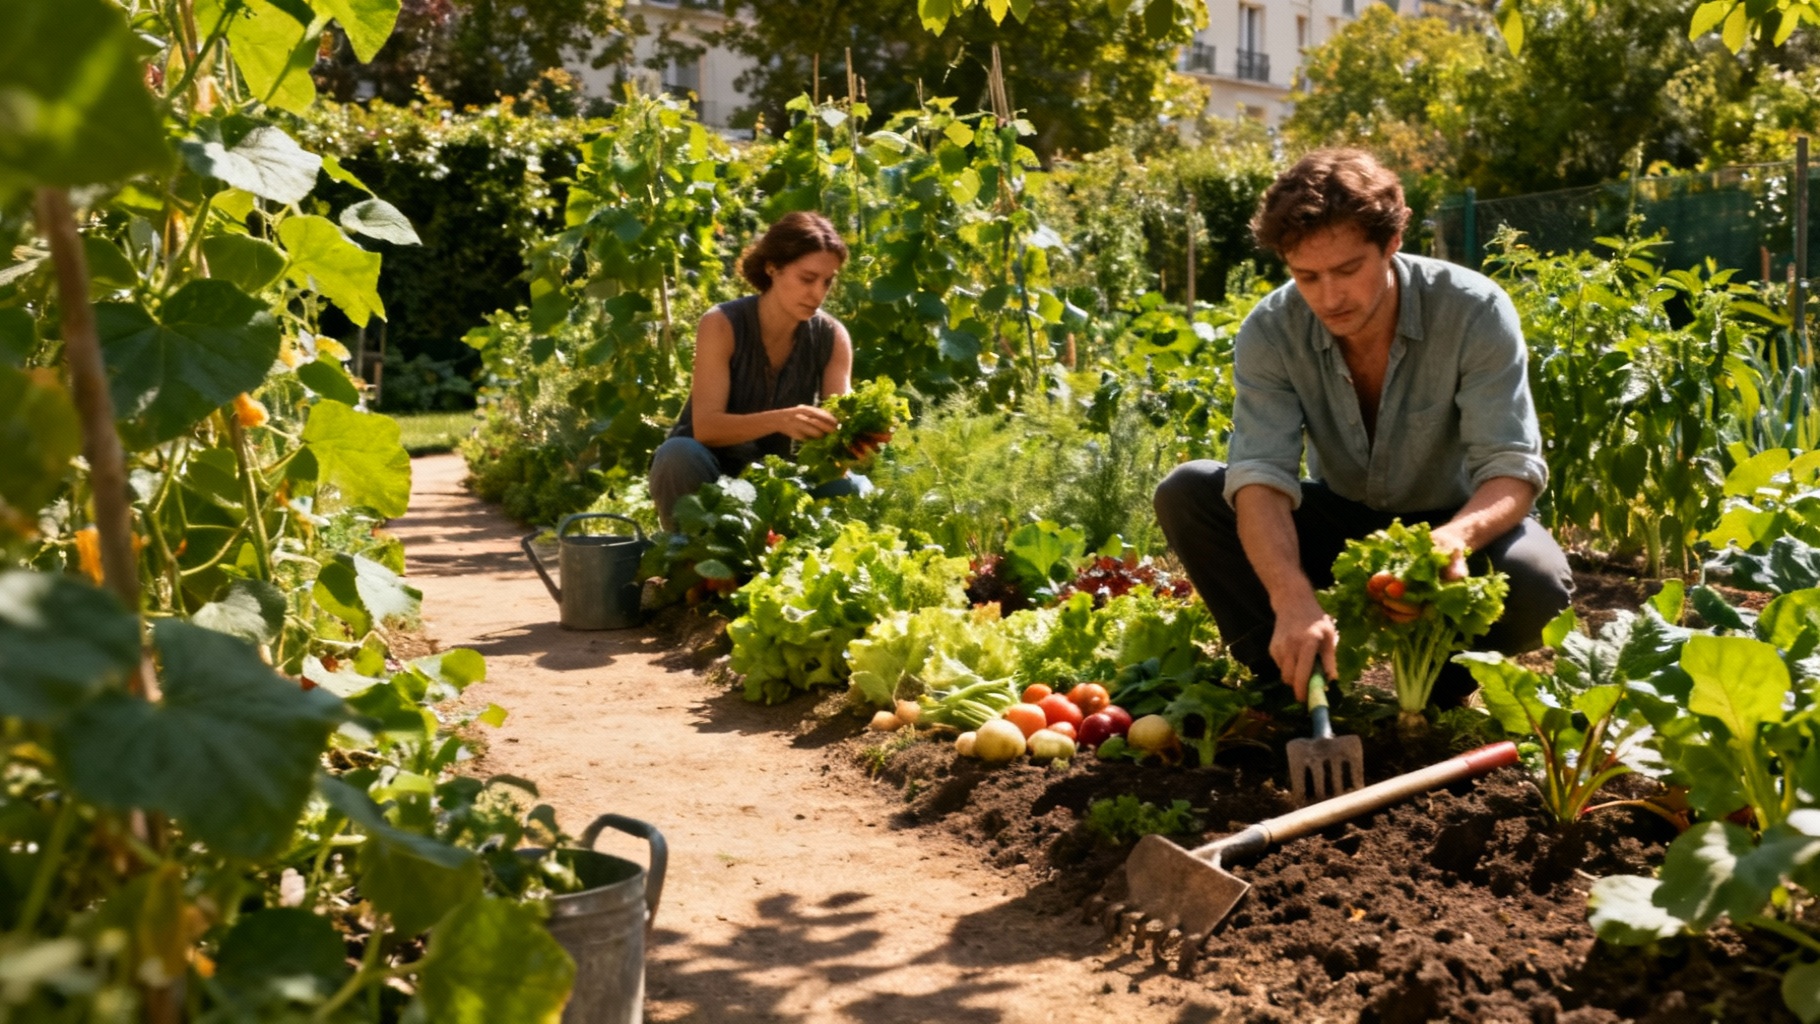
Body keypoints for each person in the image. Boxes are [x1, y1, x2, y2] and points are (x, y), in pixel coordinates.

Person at [1153, 149, 1573, 706]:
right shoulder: (1273, 330)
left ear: (1392, 244)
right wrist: (1291, 596)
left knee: (1536, 578)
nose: (1328, 296)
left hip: (1454, 531)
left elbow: (1511, 470)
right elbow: (1260, 475)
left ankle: (1437, 691)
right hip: (1346, 524)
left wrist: (1451, 540)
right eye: (1307, 276)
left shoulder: (1473, 310)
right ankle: (1296, 686)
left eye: (1348, 270)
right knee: (1190, 492)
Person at [649, 211, 865, 530]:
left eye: (827, 282)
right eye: (807, 279)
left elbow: (840, 437)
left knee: (856, 490)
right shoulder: (721, 324)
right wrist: (781, 420)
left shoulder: (832, 337)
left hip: (784, 484)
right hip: (712, 476)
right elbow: (706, 427)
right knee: (676, 454)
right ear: (772, 268)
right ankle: (685, 560)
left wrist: (855, 438)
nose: (818, 293)